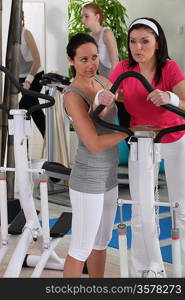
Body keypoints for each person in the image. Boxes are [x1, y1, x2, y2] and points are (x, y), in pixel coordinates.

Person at [107, 17, 185, 277]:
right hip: (142, 140)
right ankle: (148, 270)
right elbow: (108, 96)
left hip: (175, 138)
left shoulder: (169, 68)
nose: (137, 47)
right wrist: (103, 97)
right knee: (141, 210)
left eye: (144, 41)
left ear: (157, 42)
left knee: (181, 208)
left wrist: (170, 97)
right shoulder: (123, 68)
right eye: (132, 41)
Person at [62, 33, 128, 278]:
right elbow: (94, 143)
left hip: (109, 177)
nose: (91, 64)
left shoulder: (101, 80)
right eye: (83, 59)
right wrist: (131, 132)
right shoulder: (72, 95)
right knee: (81, 248)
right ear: (71, 61)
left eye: (94, 57)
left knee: (101, 243)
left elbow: (113, 105)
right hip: (88, 179)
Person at [81, 2, 130, 129]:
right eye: (82, 16)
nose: (83, 19)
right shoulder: (90, 37)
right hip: (105, 84)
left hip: (118, 84)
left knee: (125, 122)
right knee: (109, 121)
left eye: (86, 16)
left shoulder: (106, 33)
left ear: (97, 17)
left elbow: (116, 64)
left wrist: (111, 88)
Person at [19, 11, 45, 138]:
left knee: (22, 108)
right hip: (20, 77)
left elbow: (37, 60)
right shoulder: (7, 37)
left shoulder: (26, 34)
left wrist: (29, 80)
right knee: (34, 109)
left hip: (35, 75)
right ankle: (47, 138)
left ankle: (46, 137)